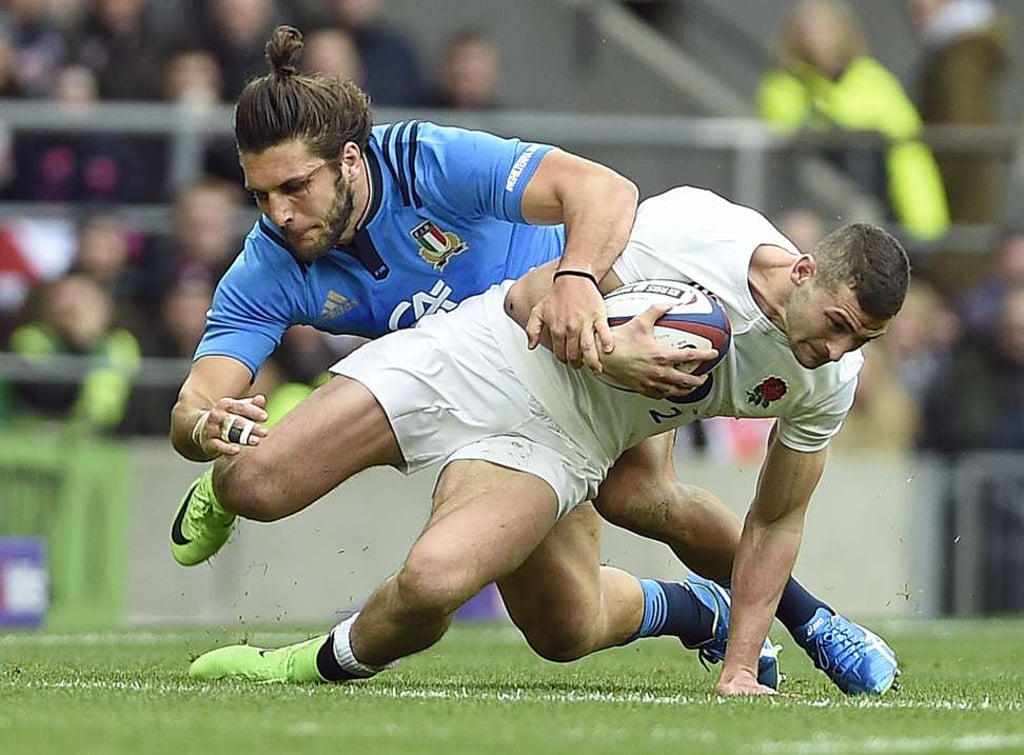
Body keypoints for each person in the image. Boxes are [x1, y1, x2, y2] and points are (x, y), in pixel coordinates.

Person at [171, 25, 899, 696]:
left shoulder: (425, 162)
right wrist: (204, 426)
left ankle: (707, 609)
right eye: (261, 195)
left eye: (294, 188)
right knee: (254, 482)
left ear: (350, 161)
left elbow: (600, 193)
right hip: (474, 351)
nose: (279, 212)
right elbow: (193, 402)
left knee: (562, 616)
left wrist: (581, 287)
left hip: (564, 400)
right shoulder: (267, 262)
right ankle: (225, 489)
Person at [757, 0, 949, 241]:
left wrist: (924, 222)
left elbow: (909, 154)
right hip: (809, 201)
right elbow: (782, 132)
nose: (814, 37)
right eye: (807, 28)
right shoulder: (785, 84)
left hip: (868, 198)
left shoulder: (873, 80)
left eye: (822, 28)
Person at [906, 0, 1007, 225]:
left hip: (957, 192)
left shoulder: (959, 57)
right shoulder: (960, 50)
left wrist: (929, 180)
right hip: (967, 187)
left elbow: (960, 131)